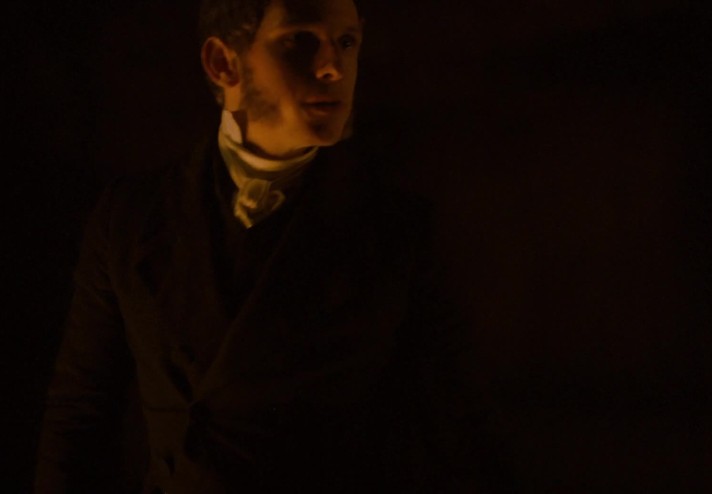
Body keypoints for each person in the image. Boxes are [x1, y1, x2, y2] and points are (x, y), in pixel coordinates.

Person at [34, 0, 510, 492]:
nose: (334, 67)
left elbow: (466, 432)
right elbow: (79, 415)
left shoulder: (396, 231)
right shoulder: (129, 217)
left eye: (347, 42)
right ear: (223, 63)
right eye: (300, 41)